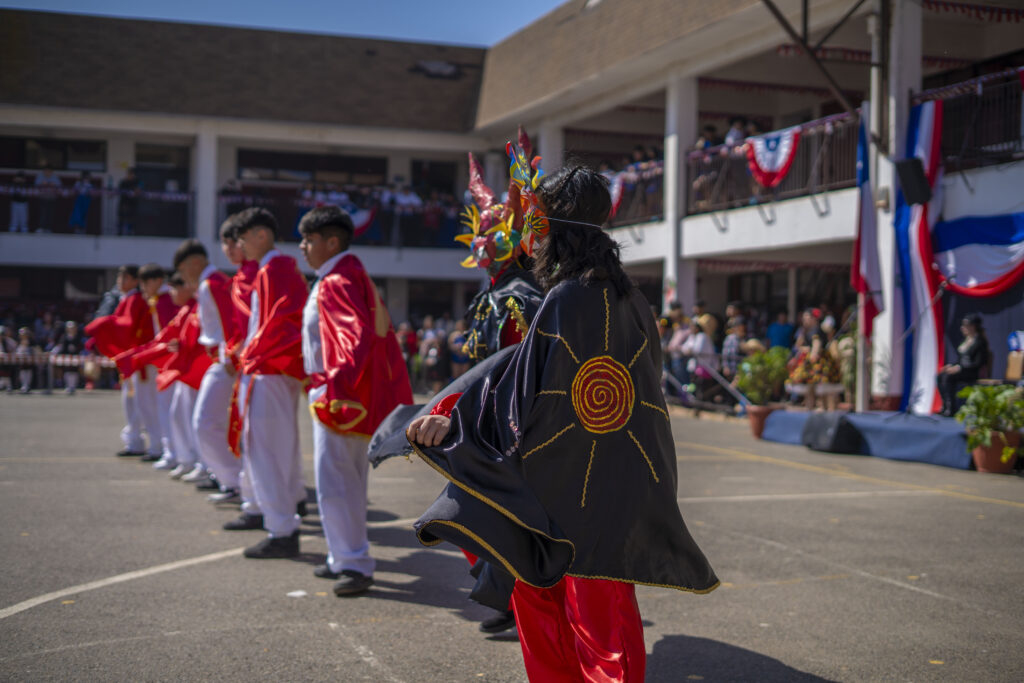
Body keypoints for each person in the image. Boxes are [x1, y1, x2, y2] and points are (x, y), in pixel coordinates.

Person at [407, 165, 717, 682]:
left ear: (556, 228)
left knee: (571, 612)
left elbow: (517, 393)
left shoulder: (567, 298)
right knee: (590, 608)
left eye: (536, 221)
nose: (531, 236)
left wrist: (454, 420)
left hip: (565, 483)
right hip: (607, 478)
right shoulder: (632, 300)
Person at [298, 205, 412, 595]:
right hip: (345, 390)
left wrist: (335, 390)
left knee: (336, 483)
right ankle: (344, 557)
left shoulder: (336, 280)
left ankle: (352, 562)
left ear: (332, 243)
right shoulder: (348, 274)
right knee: (345, 481)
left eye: (309, 240)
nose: (302, 247)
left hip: (339, 393)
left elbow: (353, 342)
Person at [230, 207, 309, 559]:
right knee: (278, 448)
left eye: (244, 238)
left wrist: (251, 355)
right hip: (274, 369)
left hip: (268, 369)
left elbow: (278, 324)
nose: (241, 246)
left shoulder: (274, 268)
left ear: (261, 235)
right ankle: (284, 518)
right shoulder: (278, 267)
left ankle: (281, 529)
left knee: (266, 451)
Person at [177, 229, 248, 495]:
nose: (183, 276)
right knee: (210, 422)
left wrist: (232, 356)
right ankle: (227, 477)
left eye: (183, 269)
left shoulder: (212, 284)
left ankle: (232, 480)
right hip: (220, 359)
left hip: (225, 361)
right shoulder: (211, 283)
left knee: (206, 422)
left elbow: (231, 321)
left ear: (195, 262)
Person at [789, 309, 842, 411]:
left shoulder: (816, 330)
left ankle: (823, 408)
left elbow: (816, 344)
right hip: (810, 361)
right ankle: (811, 408)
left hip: (818, 362)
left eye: (807, 318)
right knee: (811, 388)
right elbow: (798, 345)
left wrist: (813, 355)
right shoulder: (805, 331)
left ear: (814, 319)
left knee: (821, 387)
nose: (805, 320)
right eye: (804, 318)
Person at [937, 314, 990, 417]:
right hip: (962, 370)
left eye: (965, 325)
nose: (962, 328)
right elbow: (960, 360)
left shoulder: (980, 342)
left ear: (973, 327)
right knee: (941, 375)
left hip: (972, 372)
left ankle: (951, 408)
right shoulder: (965, 341)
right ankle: (945, 405)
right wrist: (951, 366)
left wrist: (959, 368)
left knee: (948, 377)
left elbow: (979, 363)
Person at [50, 320, 86, 393]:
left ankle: (73, 386)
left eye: (73, 328)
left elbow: (81, 348)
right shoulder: (64, 338)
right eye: (70, 328)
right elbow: (60, 347)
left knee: (75, 371)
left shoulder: (78, 337)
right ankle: (68, 386)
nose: (71, 329)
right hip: (66, 358)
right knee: (67, 371)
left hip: (76, 358)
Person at [34, 165, 61, 233]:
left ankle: (48, 228)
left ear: (51, 171)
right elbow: (36, 183)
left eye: (49, 171)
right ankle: (41, 227)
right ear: (44, 171)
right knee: (43, 213)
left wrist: (52, 184)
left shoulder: (55, 177)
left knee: (50, 213)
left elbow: (59, 185)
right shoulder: (40, 176)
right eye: (46, 171)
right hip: (43, 198)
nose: (47, 172)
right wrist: (43, 183)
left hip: (52, 198)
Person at [117, 168, 140, 236]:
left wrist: (137, 190)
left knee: (131, 218)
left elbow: (140, 187)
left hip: (132, 203)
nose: (130, 176)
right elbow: (119, 190)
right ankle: (120, 231)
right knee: (122, 217)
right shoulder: (124, 182)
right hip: (124, 202)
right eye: (129, 174)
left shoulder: (137, 182)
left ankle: (130, 231)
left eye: (132, 174)